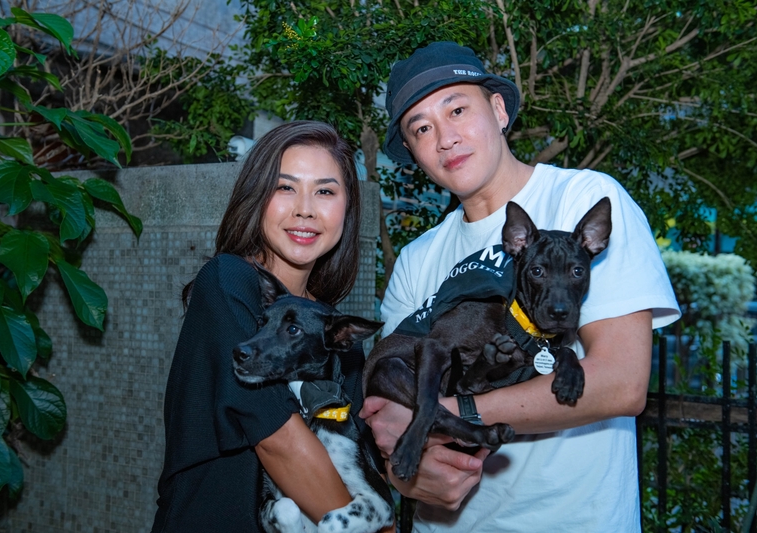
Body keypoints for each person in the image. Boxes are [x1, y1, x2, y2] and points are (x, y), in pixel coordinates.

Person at [359, 41, 681, 532]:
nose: (445, 138)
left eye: (457, 110)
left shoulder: (583, 198)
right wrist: (407, 473)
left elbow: (621, 383)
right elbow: (389, 417)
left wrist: (447, 414)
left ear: (499, 109)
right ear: (414, 154)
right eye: (421, 128)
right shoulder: (416, 258)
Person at [152, 121, 383, 532]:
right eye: (285, 187)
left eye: (325, 191)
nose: (305, 209)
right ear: (257, 196)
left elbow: (357, 458)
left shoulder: (333, 332)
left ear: (348, 208)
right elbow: (278, 439)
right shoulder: (228, 280)